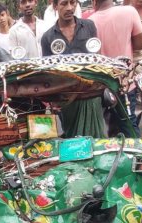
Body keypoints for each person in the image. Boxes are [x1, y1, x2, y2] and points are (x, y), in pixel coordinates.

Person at [41, 0, 105, 138]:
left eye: (72, 2)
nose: (69, 8)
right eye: (64, 3)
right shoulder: (48, 37)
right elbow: (48, 73)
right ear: (55, 6)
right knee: (71, 138)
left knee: (97, 139)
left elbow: (96, 58)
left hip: (91, 95)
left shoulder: (88, 26)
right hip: (66, 99)